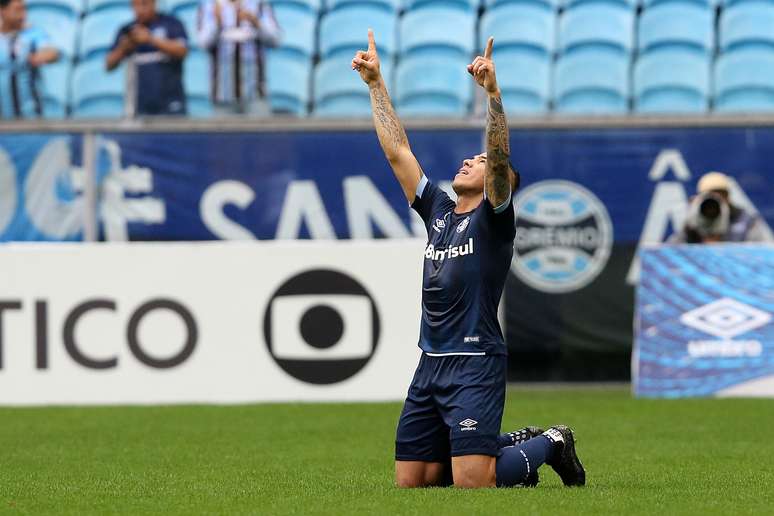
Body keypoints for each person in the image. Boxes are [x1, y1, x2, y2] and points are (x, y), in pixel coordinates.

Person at [352, 30, 586, 489]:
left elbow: (499, 158)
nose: (470, 160)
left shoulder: (493, 219)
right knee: (413, 483)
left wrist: (493, 97)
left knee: (472, 483)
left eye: (478, 161)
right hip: (431, 362)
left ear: (499, 182)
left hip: (475, 361)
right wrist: (376, 85)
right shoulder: (438, 210)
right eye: (471, 157)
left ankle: (552, 441)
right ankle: (506, 442)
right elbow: (397, 151)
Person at [197, 0, 280, 116]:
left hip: (255, 94)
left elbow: (276, 40)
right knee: (222, 133)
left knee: (261, 133)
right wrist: (217, 22)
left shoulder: (259, 4)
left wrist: (256, 22)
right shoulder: (210, 6)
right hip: (223, 95)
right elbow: (203, 43)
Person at [106, 0, 188, 116]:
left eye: (144, 4)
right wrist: (123, 48)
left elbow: (182, 51)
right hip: (138, 106)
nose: (140, 10)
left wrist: (151, 39)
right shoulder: (126, 30)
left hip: (170, 104)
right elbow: (108, 65)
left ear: (154, 3)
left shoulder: (172, 24)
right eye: (136, 5)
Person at [670, 172, 768, 244]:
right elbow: (672, 252)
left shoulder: (745, 222)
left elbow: (760, 251)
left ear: (728, 197)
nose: (716, 199)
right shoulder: (692, 223)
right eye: (710, 195)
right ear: (700, 199)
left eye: (722, 195)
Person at [0, 0, 59, 118]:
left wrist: (42, 56)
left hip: (30, 118)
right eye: (17, 10)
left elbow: (51, 52)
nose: (23, 15)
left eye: (24, 9)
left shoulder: (32, 34)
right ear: (3, 11)